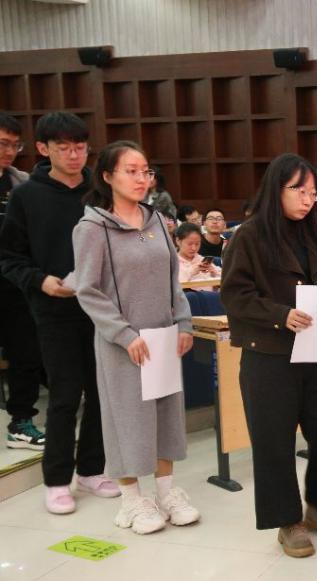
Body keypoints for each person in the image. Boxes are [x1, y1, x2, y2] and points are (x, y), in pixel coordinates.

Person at [220, 153, 317, 558]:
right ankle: (287, 520)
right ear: (276, 188)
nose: (308, 199)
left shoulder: (314, 236)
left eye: (314, 193)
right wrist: (280, 315)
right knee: (274, 442)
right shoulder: (249, 236)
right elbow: (235, 296)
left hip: (316, 351)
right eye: (299, 190)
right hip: (269, 354)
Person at [73, 140, 200, 535]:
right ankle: (131, 500)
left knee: (166, 417)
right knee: (125, 419)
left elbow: (172, 281)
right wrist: (123, 333)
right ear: (107, 176)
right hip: (123, 343)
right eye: (131, 171)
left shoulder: (157, 221)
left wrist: (183, 323)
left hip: (163, 336)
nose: (141, 178)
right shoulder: (92, 228)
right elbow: (88, 290)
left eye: (146, 171)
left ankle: (166, 492)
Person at [0, 112, 117, 514]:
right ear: (43, 149)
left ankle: (92, 469)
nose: (73, 155)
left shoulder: (100, 192)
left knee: (102, 392)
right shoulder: (27, 196)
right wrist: (40, 281)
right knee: (65, 394)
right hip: (54, 309)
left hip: (102, 309)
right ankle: (56, 479)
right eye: (63, 147)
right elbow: (9, 257)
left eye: (80, 147)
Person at [0, 112, 45, 451]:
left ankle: (21, 422)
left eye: (15, 145)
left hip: (15, 283)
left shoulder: (23, 184)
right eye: (3, 144)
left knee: (25, 352)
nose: (10, 152)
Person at [175, 222, 221, 289]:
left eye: (197, 244)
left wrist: (214, 272)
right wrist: (192, 271)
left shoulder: (202, 260)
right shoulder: (173, 262)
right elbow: (175, 285)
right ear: (178, 241)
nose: (194, 248)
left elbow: (226, 278)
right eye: (189, 244)